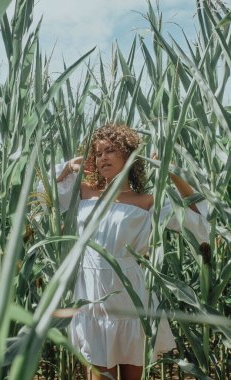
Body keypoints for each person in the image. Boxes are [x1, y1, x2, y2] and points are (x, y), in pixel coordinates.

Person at [39, 123, 209, 380]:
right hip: (91, 299)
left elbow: (198, 217)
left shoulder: (148, 202)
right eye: (97, 153)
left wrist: (171, 172)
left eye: (110, 151)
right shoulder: (83, 192)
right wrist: (68, 167)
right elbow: (41, 196)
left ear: (129, 155)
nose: (102, 157)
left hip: (131, 298)